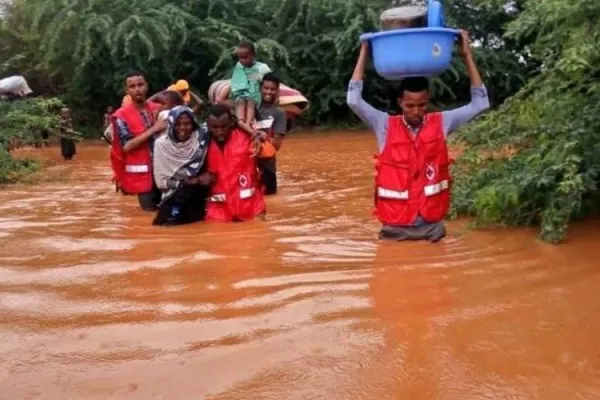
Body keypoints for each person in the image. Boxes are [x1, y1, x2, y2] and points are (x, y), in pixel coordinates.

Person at [347, 30, 490, 242]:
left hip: (431, 226)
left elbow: (481, 104)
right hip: (394, 227)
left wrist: (466, 55)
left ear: (428, 100)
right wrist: (365, 51)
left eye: (422, 105)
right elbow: (353, 100)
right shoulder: (384, 125)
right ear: (400, 103)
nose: (416, 111)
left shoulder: (442, 122)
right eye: (410, 105)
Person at [111, 71, 166, 211]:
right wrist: (154, 129)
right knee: (148, 214)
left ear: (146, 86)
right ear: (127, 90)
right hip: (144, 178)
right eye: (132, 86)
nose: (137, 89)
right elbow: (127, 146)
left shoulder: (159, 109)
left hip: (166, 172)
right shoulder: (120, 115)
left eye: (140, 84)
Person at [152, 106, 214, 226]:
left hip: (198, 198)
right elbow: (161, 183)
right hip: (173, 197)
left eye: (187, 123)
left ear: (193, 124)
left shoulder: (202, 137)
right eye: (178, 124)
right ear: (171, 124)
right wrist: (196, 181)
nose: (182, 128)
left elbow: (224, 122)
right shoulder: (161, 144)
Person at [205, 104, 266, 222]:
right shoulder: (201, 143)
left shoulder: (249, 137)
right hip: (218, 214)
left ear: (231, 123)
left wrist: (258, 137)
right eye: (215, 127)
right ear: (208, 125)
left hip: (253, 209)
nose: (219, 131)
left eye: (224, 126)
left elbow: (267, 163)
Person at [254, 72, 288, 195]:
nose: (268, 92)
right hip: (247, 165)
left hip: (267, 167)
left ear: (277, 91)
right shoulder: (250, 109)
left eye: (272, 89)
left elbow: (277, 145)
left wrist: (263, 137)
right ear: (260, 88)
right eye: (266, 88)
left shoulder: (279, 113)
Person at [230, 41, 271, 126]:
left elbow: (271, 81)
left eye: (245, 57)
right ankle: (240, 122)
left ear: (253, 54)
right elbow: (236, 81)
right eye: (240, 58)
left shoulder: (262, 68)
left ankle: (248, 123)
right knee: (240, 101)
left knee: (251, 102)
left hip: (254, 95)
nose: (242, 61)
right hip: (241, 94)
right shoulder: (239, 66)